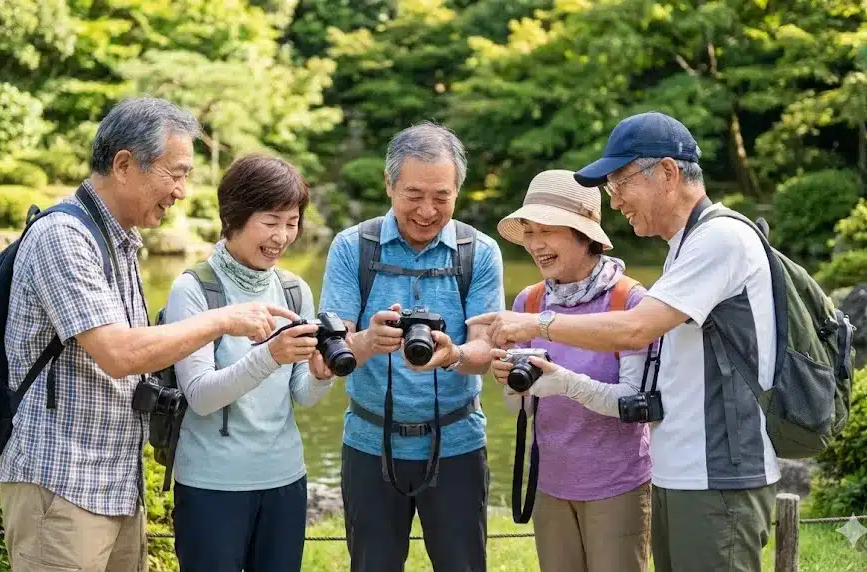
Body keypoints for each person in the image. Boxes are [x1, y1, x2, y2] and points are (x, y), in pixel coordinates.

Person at [0, 98, 298, 572]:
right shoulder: (64, 236)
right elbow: (117, 353)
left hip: (114, 486)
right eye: (175, 174)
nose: (180, 191)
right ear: (124, 165)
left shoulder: (118, 243)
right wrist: (224, 320)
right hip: (61, 485)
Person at [468, 111, 780, 572]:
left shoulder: (721, 239)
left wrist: (537, 326)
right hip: (682, 470)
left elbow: (636, 328)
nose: (615, 202)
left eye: (620, 184)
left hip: (720, 472)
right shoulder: (683, 248)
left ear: (669, 173)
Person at [318, 121, 505, 572]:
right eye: (413, 195)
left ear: (458, 191)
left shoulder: (477, 252)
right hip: (370, 442)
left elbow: (485, 352)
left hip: (457, 443)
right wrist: (366, 341)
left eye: (441, 197)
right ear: (389, 185)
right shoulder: (353, 248)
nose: (427, 209)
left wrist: (454, 354)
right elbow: (331, 351)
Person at [163, 154, 336, 572]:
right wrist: (270, 356)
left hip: (284, 480)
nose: (282, 236)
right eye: (270, 221)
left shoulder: (294, 290)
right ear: (234, 216)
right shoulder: (194, 289)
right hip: (211, 485)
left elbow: (302, 397)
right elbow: (201, 396)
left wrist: (320, 374)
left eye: (291, 222)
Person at [489, 169, 652, 572]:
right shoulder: (528, 301)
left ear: (585, 234)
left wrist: (563, 382)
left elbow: (635, 403)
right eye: (529, 231)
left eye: (548, 230)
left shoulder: (628, 302)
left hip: (618, 486)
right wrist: (511, 385)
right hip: (550, 483)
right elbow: (520, 411)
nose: (535, 245)